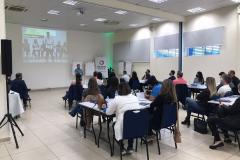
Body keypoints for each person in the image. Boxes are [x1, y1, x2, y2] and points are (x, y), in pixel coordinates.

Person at [105, 82, 142, 155]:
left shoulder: (117, 99)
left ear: (118, 90)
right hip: (136, 125)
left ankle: (122, 148)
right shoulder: (135, 97)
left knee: (114, 126)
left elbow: (108, 113)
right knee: (131, 124)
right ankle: (130, 146)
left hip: (123, 124)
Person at [207, 84, 240, 149]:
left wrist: (223, 105)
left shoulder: (239, 100)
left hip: (235, 123)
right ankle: (226, 136)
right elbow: (234, 109)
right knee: (221, 112)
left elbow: (231, 110)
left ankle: (218, 140)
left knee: (210, 120)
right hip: (236, 120)